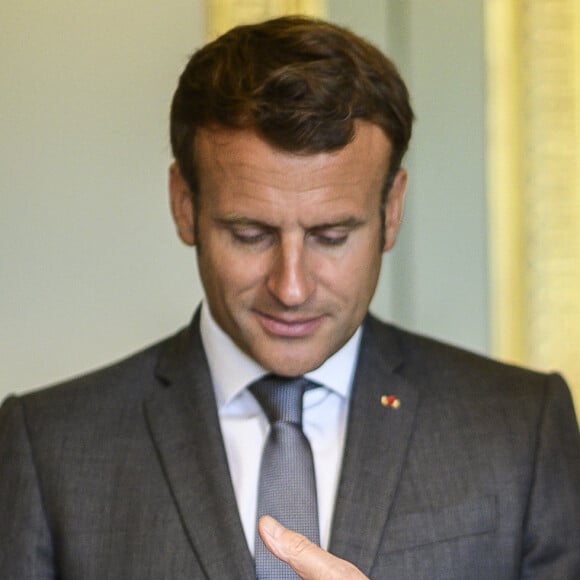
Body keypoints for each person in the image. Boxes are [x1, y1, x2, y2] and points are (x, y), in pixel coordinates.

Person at [0, 15, 578, 580]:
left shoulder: (521, 429)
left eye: (332, 236)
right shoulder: (48, 446)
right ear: (184, 204)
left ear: (392, 210)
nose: (292, 287)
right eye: (250, 235)